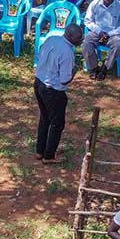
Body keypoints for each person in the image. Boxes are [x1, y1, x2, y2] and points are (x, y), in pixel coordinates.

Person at [33, 22, 84, 163]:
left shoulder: (52, 39)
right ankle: (49, 156)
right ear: (70, 36)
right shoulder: (67, 53)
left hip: (39, 83)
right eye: (79, 37)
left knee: (44, 118)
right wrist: (74, 72)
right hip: (53, 91)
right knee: (57, 123)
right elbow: (64, 80)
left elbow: (40, 53)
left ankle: (40, 151)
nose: (82, 39)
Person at [81, 0, 120, 79]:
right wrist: (99, 31)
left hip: (113, 33)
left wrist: (110, 33)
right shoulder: (94, 4)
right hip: (96, 32)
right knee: (86, 44)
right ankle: (93, 68)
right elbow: (88, 20)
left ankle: (105, 68)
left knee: (117, 44)